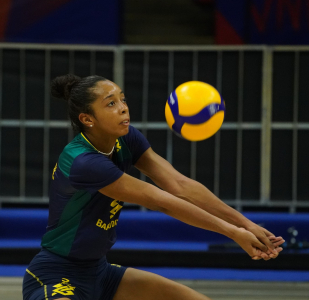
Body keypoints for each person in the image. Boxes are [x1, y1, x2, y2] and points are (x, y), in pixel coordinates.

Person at [22, 74, 284, 300]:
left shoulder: (127, 139)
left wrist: (246, 225)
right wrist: (233, 233)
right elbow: (161, 201)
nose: (123, 108)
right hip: (57, 275)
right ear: (87, 119)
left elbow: (180, 185)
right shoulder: (83, 161)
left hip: (101, 274)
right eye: (111, 104)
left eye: (122, 99)